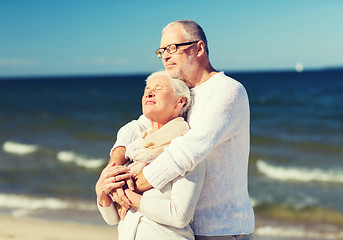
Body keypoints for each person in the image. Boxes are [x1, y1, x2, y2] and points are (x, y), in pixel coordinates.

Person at [105, 20, 255, 240]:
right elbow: (139, 125)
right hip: (186, 229)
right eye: (162, 51)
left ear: (199, 48)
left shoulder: (228, 91)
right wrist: (114, 164)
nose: (166, 56)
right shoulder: (184, 93)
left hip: (223, 228)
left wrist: (129, 187)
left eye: (173, 48)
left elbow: (186, 153)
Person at [96, 71, 205, 240]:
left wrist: (129, 196)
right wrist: (101, 193)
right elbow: (113, 219)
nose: (149, 92)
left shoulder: (184, 149)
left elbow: (179, 215)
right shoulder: (136, 149)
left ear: (180, 101)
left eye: (158, 88)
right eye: (147, 89)